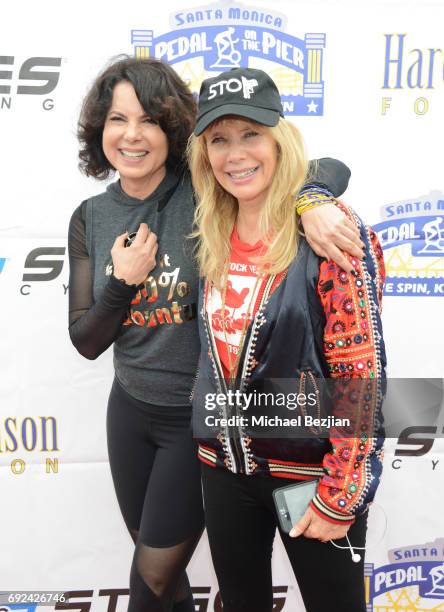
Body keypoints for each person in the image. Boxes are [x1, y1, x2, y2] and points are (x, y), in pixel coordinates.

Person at [68, 56, 364, 612]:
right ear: (98, 129)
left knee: (152, 576)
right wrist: (121, 285)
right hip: (134, 413)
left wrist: (313, 198)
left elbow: (319, 164)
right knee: (159, 569)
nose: (132, 135)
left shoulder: (204, 197)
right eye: (116, 119)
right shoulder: (90, 217)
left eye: (149, 120)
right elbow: (85, 338)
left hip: (200, 421)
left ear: (174, 131)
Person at [188, 67, 386, 612]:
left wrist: (341, 494)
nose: (235, 154)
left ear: (280, 137)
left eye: (251, 133)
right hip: (223, 470)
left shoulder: (328, 229)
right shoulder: (209, 228)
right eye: (219, 140)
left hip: (311, 475)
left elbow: (360, 377)